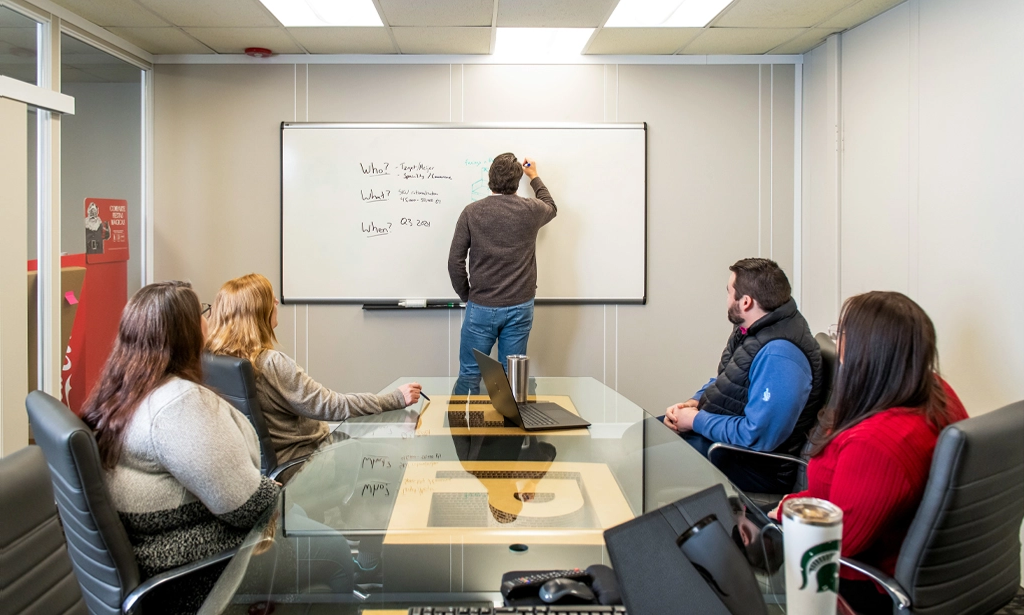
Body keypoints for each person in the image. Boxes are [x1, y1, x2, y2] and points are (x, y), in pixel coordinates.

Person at [80, 281, 279, 614]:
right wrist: (282, 495)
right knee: (333, 555)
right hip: (199, 574)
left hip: (157, 560)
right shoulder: (178, 405)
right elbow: (248, 508)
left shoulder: (122, 390)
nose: (207, 320)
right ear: (186, 331)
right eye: (202, 312)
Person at [769, 291, 968, 613]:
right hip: (925, 570)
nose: (837, 341)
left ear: (866, 352)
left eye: (841, 333)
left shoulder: (875, 443)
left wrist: (789, 508)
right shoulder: (936, 392)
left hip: (854, 583)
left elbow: (839, 541)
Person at [204, 273, 422, 465]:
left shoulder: (216, 360)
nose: (277, 301)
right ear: (257, 312)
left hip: (265, 465)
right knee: (391, 455)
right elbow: (331, 406)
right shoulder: (270, 363)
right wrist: (395, 398)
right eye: (271, 298)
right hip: (306, 463)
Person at [663, 258, 825, 493]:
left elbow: (757, 436)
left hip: (754, 466)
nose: (727, 299)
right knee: (641, 436)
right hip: (726, 444)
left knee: (643, 462)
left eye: (729, 292)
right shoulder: (752, 329)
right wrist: (693, 403)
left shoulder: (781, 354)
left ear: (746, 302)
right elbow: (728, 380)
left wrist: (695, 420)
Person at [447, 153, 557, 394]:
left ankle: (466, 429)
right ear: (517, 181)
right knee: (512, 380)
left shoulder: (471, 212)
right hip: (520, 307)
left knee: (469, 376)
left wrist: (470, 297)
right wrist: (535, 176)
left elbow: (455, 261)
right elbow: (551, 206)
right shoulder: (531, 209)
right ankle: (510, 429)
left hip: (481, 307)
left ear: (490, 179)